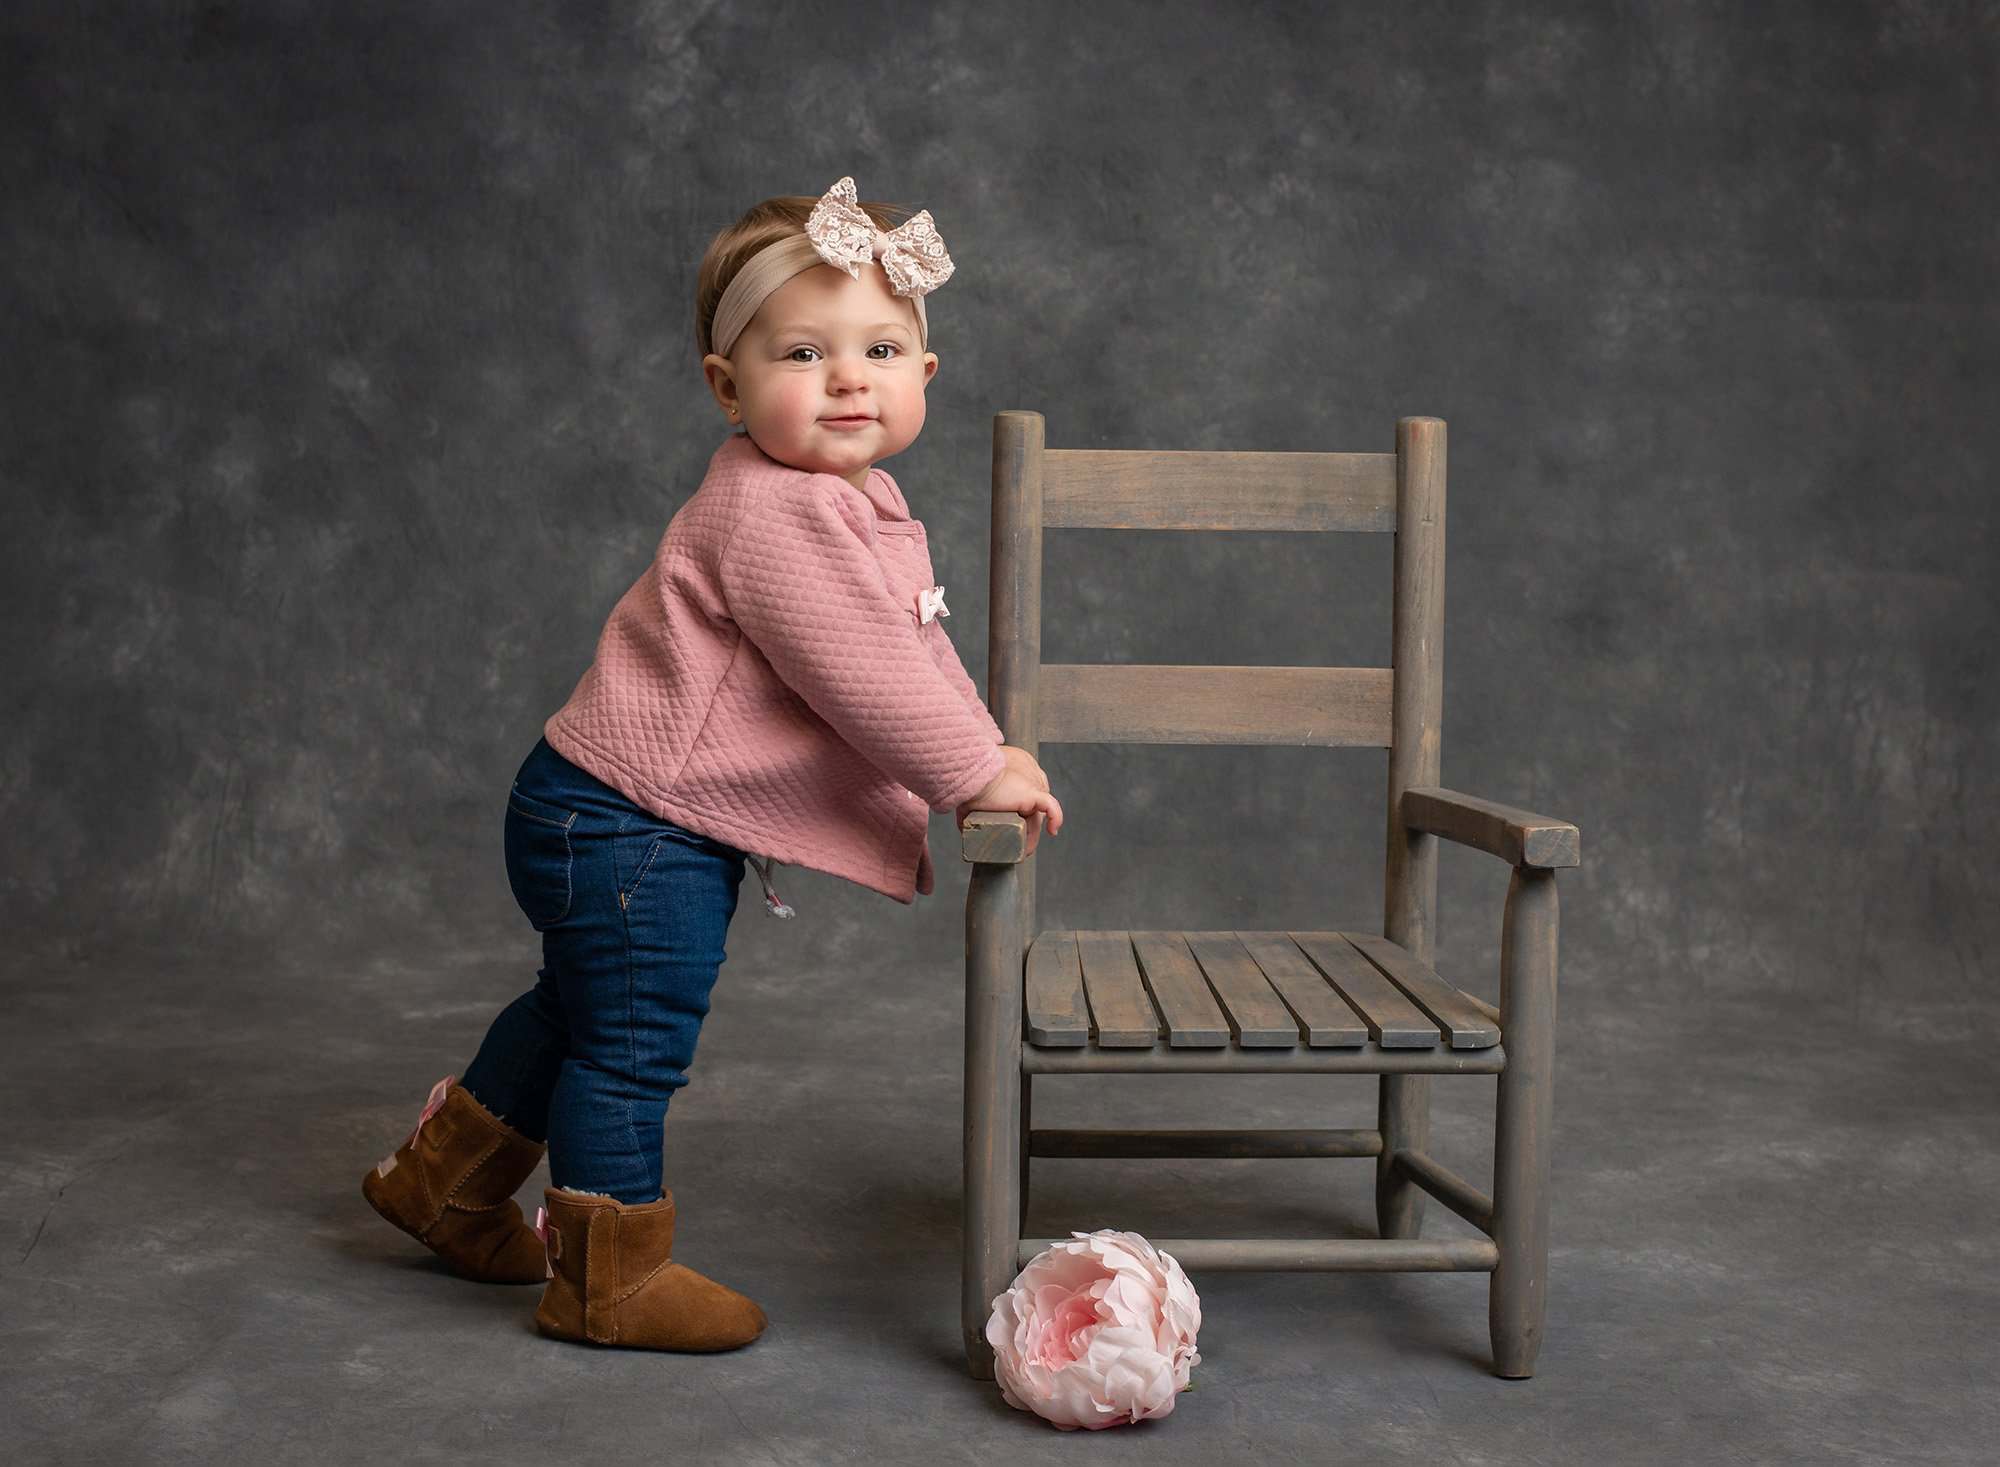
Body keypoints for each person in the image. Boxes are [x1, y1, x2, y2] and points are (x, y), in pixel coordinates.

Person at [360, 176, 1062, 1353]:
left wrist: (984, 746)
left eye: (880, 349)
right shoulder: (775, 516)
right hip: (631, 825)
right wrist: (967, 773)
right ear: (727, 387)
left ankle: (443, 1187)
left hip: (593, 805)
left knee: (575, 1004)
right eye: (803, 352)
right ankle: (607, 1279)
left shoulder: (849, 499)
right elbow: (863, 674)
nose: (848, 378)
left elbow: (909, 639)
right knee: (631, 1040)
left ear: (923, 376)